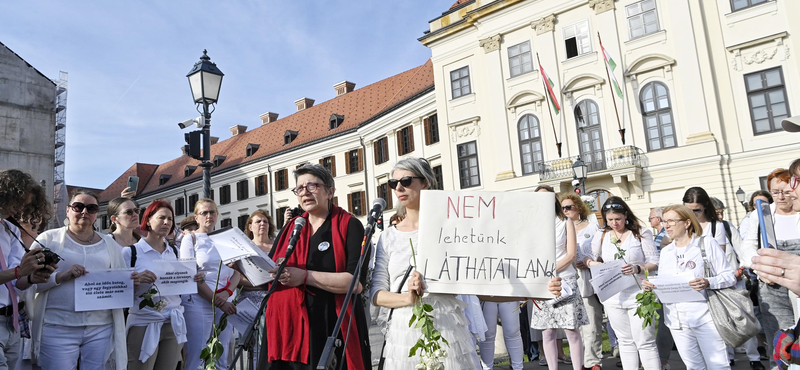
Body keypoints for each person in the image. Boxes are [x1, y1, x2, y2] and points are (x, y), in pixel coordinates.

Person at [371, 158, 564, 369]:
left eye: (406, 180)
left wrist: (537, 288)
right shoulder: (388, 237)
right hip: (404, 332)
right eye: (392, 183)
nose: (398, 187)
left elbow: (481, 285)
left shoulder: (453, 228)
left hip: (448, 327)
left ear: (425, 182)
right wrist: (408, 298)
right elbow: (376, 294)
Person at [259, 164, 371, 369]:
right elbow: (269, 271)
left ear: (330, 191)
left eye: (312, 186)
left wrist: (304, 276)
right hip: (285, 330)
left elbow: (355, 283)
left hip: (328, 327)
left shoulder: (349, 226)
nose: (305, 192)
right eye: (299, 188)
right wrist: (242, 273)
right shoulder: (291, 229)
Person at [32, 189, 131, 370]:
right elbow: (28, 282)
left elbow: (120, 284)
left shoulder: (109, 243)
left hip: (100, 327)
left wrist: (134, 282)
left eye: (91, 208)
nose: (84, 212)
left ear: (96, 214)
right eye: (78, 207)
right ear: (68, 210)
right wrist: (60, 276)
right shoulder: (48, 239)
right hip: (58, 326)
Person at [642, 205, 735, 370]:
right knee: (694, 367)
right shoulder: (666, 252)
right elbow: (665, 285)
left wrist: (708, 282)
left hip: (706, 317)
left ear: (687, 223)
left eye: (671, 221)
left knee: (718, 366)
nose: (666, 225)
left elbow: (729, 276)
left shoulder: (706, 243)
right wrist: (652, 288)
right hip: (676, 321)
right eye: (664, 221)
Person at [582, 196, 660, 370]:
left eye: (618, 219)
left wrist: (637, 268)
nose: (614, 223)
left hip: (639, 294)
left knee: (645, 341)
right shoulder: (601, 235)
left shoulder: (640, 233)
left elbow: (654, 261)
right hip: (613, 296)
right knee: (625, 341)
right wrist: (593, 264)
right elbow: (587, 257)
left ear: (626, 215)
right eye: (610, 220)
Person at [736, 169, 800, 367]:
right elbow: (747, 245)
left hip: (797, 282)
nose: (780, 197)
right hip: (771, 284)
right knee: (778, 337)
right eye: (775, 192)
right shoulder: (761, 214)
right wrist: (759, 265)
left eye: (785, 192)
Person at [0, 170, 57, 370]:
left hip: (12, 320)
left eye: (26, 203)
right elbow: (15, 273)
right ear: (5, 193)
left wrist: (32, 276)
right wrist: (18, 272)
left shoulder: (11, 229)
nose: (22, 207)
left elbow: (16, 282)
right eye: (20, 200)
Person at [123, 200, 186, 370]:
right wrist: (134, 281)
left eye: (170, 219)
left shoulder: (175, 251)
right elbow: (117, 290)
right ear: (148, 220)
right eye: (161, 218)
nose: (167, 222)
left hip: (172, 321)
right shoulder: (131, 252)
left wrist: (194, 278)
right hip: (144, 322)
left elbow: (180, 285)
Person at [180, 199, 241, 370]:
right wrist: (219, 301)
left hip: (225, 302)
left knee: (221, 357)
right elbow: (191, 275)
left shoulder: (226, 238)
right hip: (199, 302)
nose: (209, 216)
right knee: (197, 355)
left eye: (212, 212)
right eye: (204, 213)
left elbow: (238, 272)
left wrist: (227, 293)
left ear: (217, 215)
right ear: (196, 217)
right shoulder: (190, 239)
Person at [530, 189, 586, 370]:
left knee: (571, 330)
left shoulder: (565, 222)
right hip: (542, 282)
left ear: (553, 198)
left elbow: (571, 254)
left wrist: (551, 270)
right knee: (547, 332)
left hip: (564, 280)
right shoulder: (532, 225)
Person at [561, 193, 602, 370]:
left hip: (588, 276)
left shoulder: (592, 227)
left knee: (592, 321)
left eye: (569, 207)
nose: (565, 210)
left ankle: (593, 361)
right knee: (573, 322)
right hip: (568, 277)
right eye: (562, 208)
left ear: (578, 207)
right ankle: (580, 361)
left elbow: (600, 250)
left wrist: (589, 261)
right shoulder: (560, 228)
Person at [683, 187, 727, 252]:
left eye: (697, 210)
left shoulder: (716, 226)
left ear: (705, 205)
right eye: (688, 210)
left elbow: (720, 255)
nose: (692, 214)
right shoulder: (679, 223)